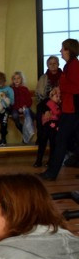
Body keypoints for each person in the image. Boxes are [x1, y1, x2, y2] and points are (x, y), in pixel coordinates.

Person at [41, 39, 79, 181]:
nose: (60, 51)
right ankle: (51, 172)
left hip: (73, 110)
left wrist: (61, 87)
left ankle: (51, 173)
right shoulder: (70, 65)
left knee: (61, 140)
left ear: (69, 50)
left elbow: (76, 87)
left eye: (62, 49)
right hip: (70, 108)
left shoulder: (74, 65)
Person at [37, 87, 61, 168]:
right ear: (51, 96)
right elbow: (56, 112)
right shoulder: (50, 103)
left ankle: (50, 161)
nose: (58, 98)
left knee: (53, 144)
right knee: (43, 143)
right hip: (47, 126)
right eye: (56, 96)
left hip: (53, 127)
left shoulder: (56, 103)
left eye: (59, 96)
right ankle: (39, 160)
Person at [10, 71, 34, 143]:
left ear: (21, 79)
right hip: (15, 108)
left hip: (25, 108)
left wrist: (25, 106)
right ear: (12, 80)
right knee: (15, 116)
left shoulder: (24, 89)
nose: (16, 80)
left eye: (18, 78)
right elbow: (11, 102)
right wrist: (18, 108)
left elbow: (29, 101)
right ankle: (25, 133)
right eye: (14, 78)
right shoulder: (11, 90)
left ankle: (29, 131)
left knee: (33, 116)